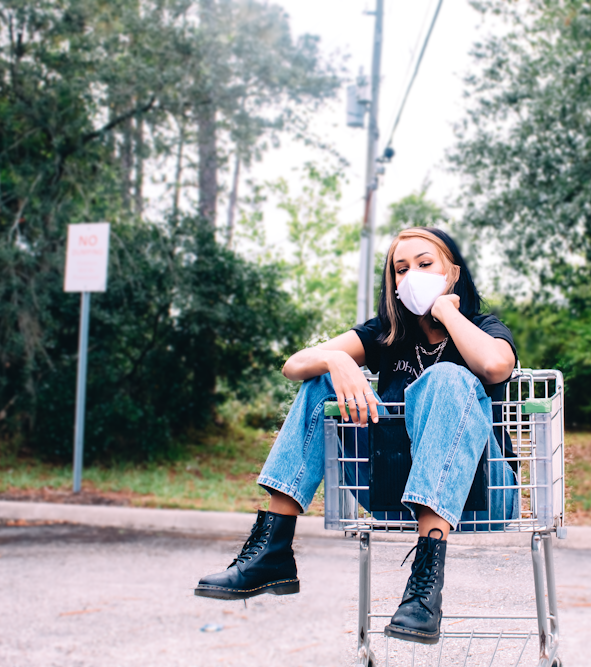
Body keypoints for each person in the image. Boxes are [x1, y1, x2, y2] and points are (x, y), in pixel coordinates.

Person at [194, 227, 520, 645]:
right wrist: (333, 359)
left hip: (485, 494)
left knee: (446, 378)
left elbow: (495, 367)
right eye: (401, 270)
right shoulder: (386, 335)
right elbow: (294, 365)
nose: (411, 276)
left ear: (452, 273)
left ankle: (423, 591)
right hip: (394, 491)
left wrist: (448, 313)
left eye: (425, 264)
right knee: (319, 383)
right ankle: (273, 550)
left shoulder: (484, 327)